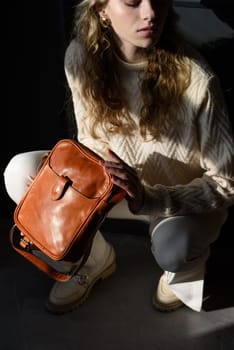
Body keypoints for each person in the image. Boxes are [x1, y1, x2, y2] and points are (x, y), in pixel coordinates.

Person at [4, 0, 234, 314]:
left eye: (158, 0)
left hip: (174, 203)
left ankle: (181, 274)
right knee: (21, 172)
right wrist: (88, 196)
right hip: (113, 192)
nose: (150, 13)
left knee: (174, 248)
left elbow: (227, 183)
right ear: (101, 9)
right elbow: (89, 143)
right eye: (132, 2)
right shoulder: (81, 57)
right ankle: (93, 258)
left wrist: (151, 198)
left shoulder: (196, 80)